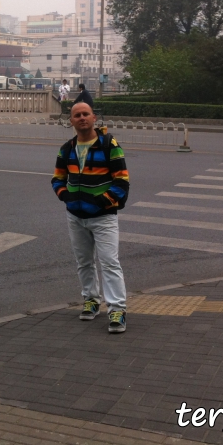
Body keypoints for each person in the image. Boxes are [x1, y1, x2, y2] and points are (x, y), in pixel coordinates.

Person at [52, 102, 130, 334]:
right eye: (77, 115)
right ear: (71, 121)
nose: (82, 118)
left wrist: (100, 202)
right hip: (75, 216)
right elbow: (57, 178)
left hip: (103, 216)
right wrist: (65, 196)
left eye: (86, 114)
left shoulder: (109, 145)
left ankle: (117, 309)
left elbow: (122, 181)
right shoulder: (67, 148)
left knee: (109, 263)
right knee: (84, 262)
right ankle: (91, 300)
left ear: (94, 117)